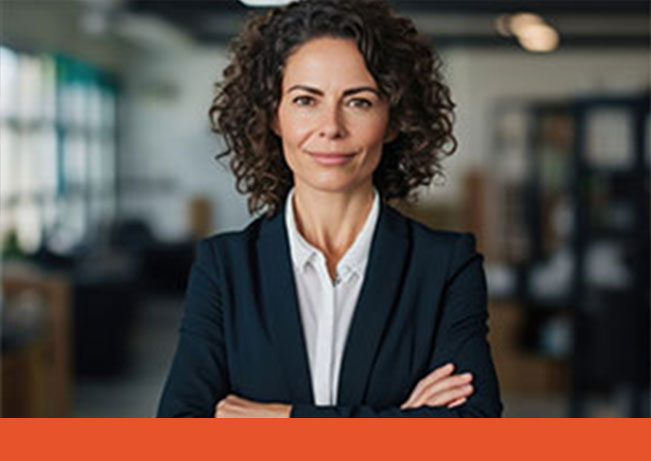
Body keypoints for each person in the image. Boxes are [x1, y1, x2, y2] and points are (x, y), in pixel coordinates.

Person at [157, 0, 502, 418]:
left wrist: (286, 421)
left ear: (394, 120)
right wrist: (400, 421)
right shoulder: (224, 267)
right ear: (273, 116)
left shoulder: (445, 265)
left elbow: (473, 427)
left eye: (358, 102)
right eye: (306, 100)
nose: (331, 127)